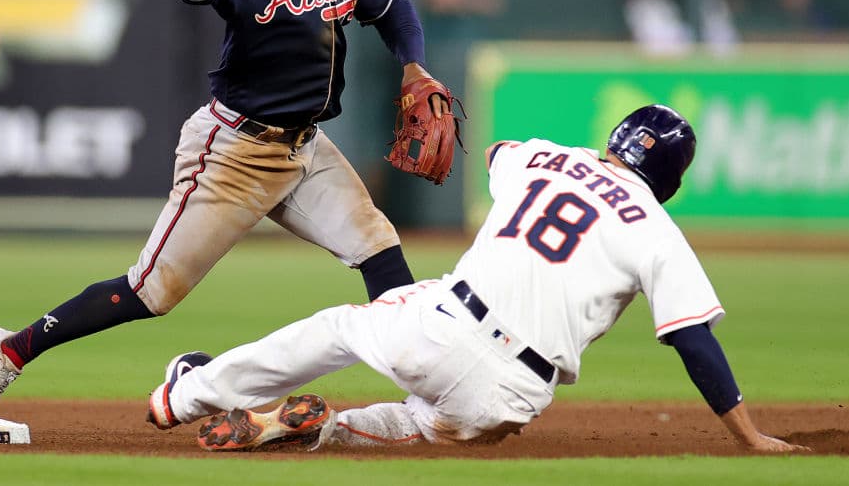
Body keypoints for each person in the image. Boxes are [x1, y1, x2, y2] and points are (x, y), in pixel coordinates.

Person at [0, 0, 454, 416]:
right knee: (150, 292)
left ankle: (426, 394)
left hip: (307, 149)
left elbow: (395, 11)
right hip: (234, 153)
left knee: (380, 248)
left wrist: (413, 65)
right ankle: (8, 352)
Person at [145, 105, 809, 454]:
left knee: (342, 329)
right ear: (671, 180)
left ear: (614, 141)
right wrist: (749, 438)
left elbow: (497, 153)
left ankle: (185, 396)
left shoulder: (548, 159)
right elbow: (694, 340)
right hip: (514, 394)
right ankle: (321, 433)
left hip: (442, 324)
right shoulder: (658, 231)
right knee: (429, 426)